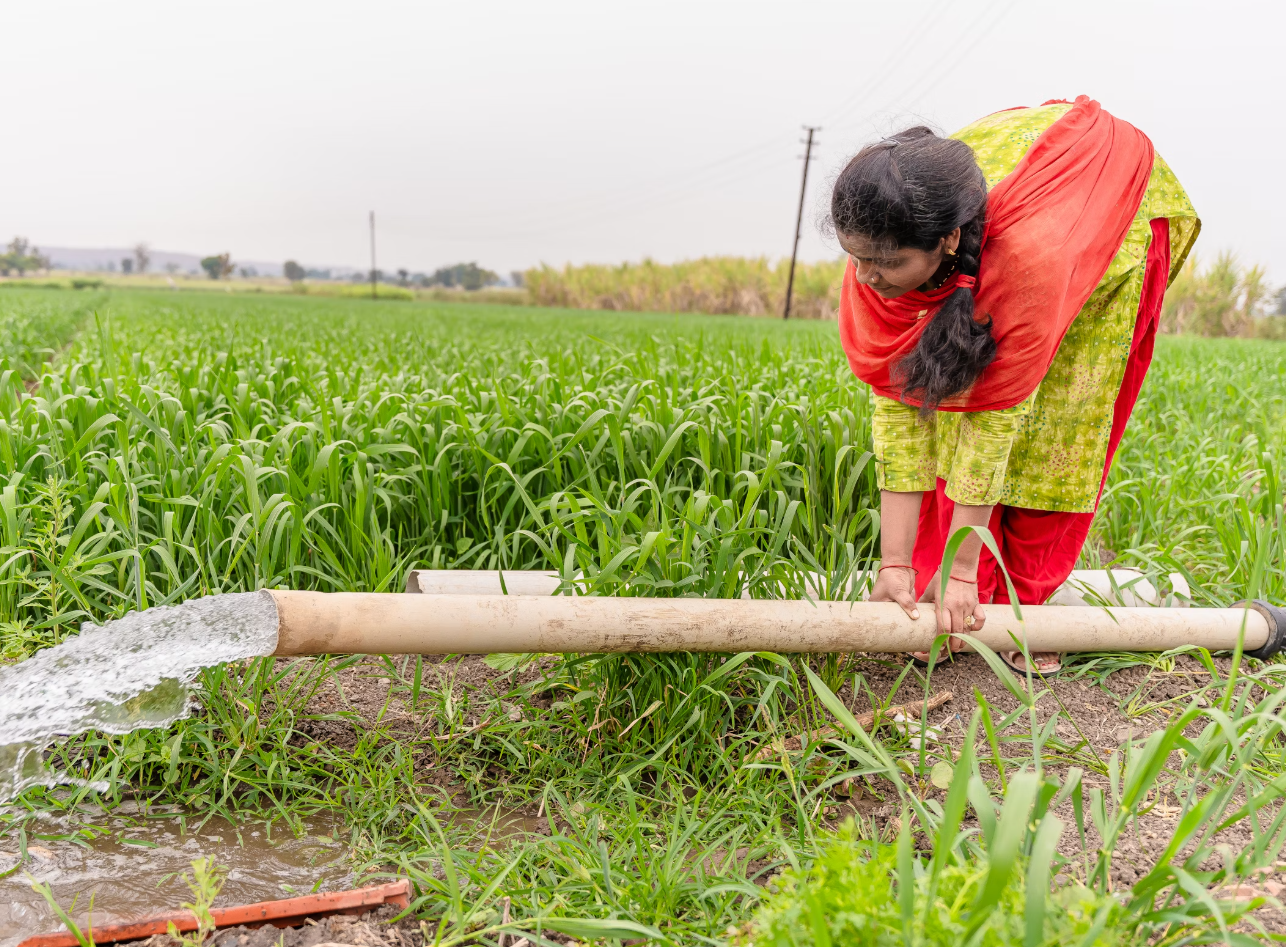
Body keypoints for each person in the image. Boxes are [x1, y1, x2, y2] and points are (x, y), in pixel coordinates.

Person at [833, 96, 1199, 674]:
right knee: (938, 407)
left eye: (885, 264)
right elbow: (901, 410)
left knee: (1058, 422)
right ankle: (938, 588)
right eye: (856, 259)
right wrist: (894, 566)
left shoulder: (1030, 263)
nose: (867, 277)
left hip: (1110, 218)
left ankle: (1026, 603)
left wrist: (959, 574)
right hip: (1021, 213)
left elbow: (990, 421)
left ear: (948, 242)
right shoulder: (880, 242)